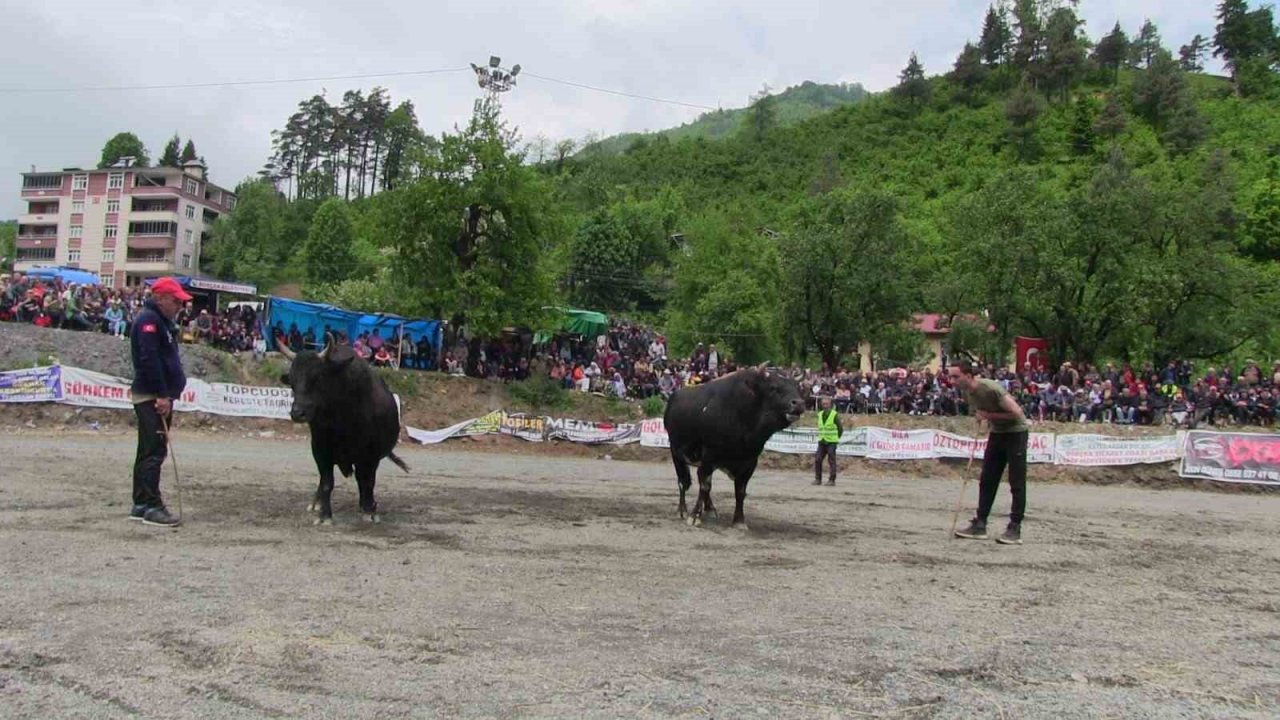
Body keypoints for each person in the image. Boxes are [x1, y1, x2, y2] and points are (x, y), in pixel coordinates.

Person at [127, 276, 191, 528]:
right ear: (161, 298)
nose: (179, 306)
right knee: (153, 452)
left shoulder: (160, 322)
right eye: (176, 301)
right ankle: (152, 506)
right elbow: (149, 360)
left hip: (155, 394)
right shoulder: (149, 322)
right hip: (152, 396)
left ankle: (141, 503)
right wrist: (162, 395)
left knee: (148, 451)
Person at [949, 359, 1029, 545]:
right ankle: (980, 524)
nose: (952, 380)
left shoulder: (990, 388)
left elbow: (1016, 412)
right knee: (987, 479)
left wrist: (989, 416)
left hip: (1016, 433)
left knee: (1016, 481)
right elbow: (982, 413)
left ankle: (1015, 527)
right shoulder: (967, 393)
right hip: (997, 433)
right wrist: (982, 419)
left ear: (968, 376)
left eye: (955, 376)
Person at [813, 396, 842, 486]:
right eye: (824, 404)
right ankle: (818, 479)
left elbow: (840, 428)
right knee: (818, 460)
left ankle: (832, 480)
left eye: (827, 404)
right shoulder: (820, 414)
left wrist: (837, 438)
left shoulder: (834, 414)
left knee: (831, 460)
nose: (825, 405)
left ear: (830, 404)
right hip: (822, 441)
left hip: (831, 442)